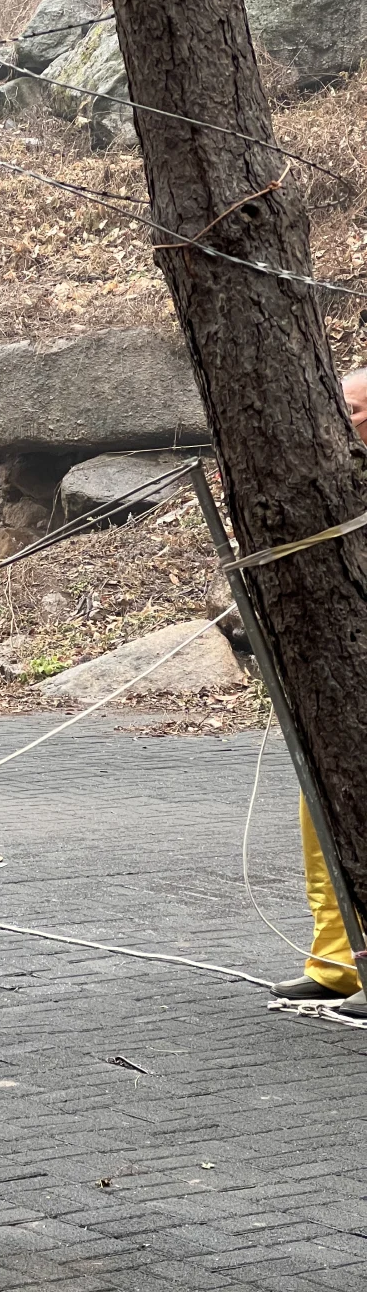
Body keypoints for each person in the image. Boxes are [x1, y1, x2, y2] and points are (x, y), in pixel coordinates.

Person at [272, 367, 367, 1017]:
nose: (343, 419)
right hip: (332, 681)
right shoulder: (331, 483)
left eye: (354, 409)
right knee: (320, 811)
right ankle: (337, 963)